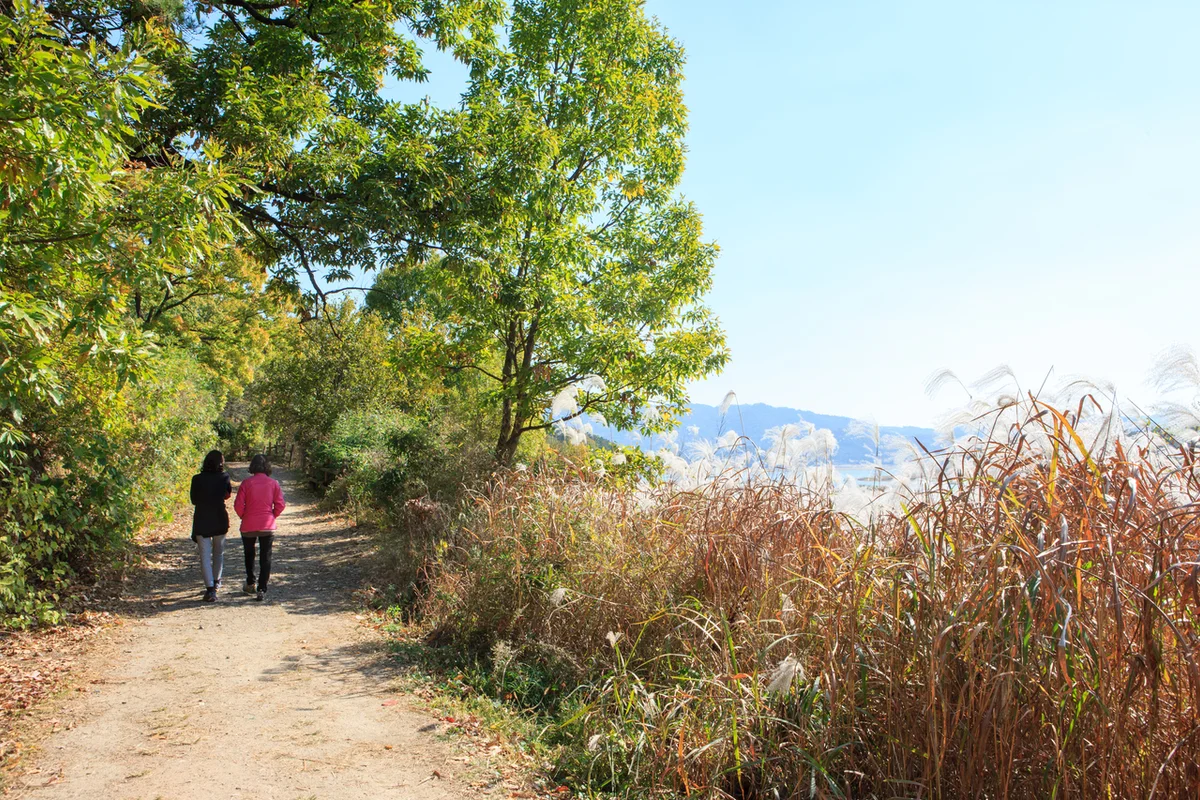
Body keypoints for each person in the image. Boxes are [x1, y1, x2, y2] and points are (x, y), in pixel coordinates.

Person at [233, 454, 286, 602]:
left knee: (249, 554)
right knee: (266, 556)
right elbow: (280, 504)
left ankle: (250, 582)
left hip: (248, 525)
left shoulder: (246, 483)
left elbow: (238, 505)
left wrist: (244, 516)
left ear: (252, 466)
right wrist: (272, 515)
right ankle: (262, 588)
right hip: (267, 524)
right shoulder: (273, 483)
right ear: (267, 466)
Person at [190, 450, 232, 602]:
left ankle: (209, 589)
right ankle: (217, 581)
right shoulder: (225, 477)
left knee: (205, 556)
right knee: (218, 552)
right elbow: (227, 495)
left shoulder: (197, 479)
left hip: (202, 519)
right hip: (219, 517)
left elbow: (193, 500)